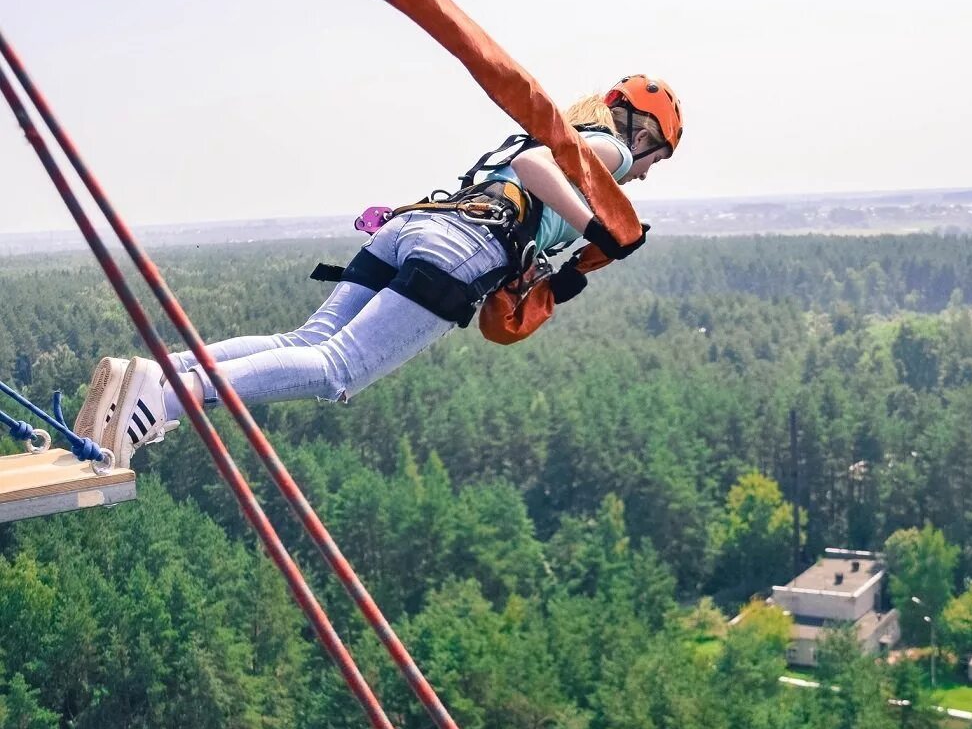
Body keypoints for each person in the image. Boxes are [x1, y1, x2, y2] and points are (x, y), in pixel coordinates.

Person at [75, 75, 683, 468]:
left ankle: (157, 374)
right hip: (465, 246)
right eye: (658, 155)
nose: (648, 171)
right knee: (336, 368)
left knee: (306, 342)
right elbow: (533, 167)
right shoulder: (609, 150)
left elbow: (524, 166)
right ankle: (171, 399)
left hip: (415, 226)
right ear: (642, 132)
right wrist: (596, 227)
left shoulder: (560, 133)